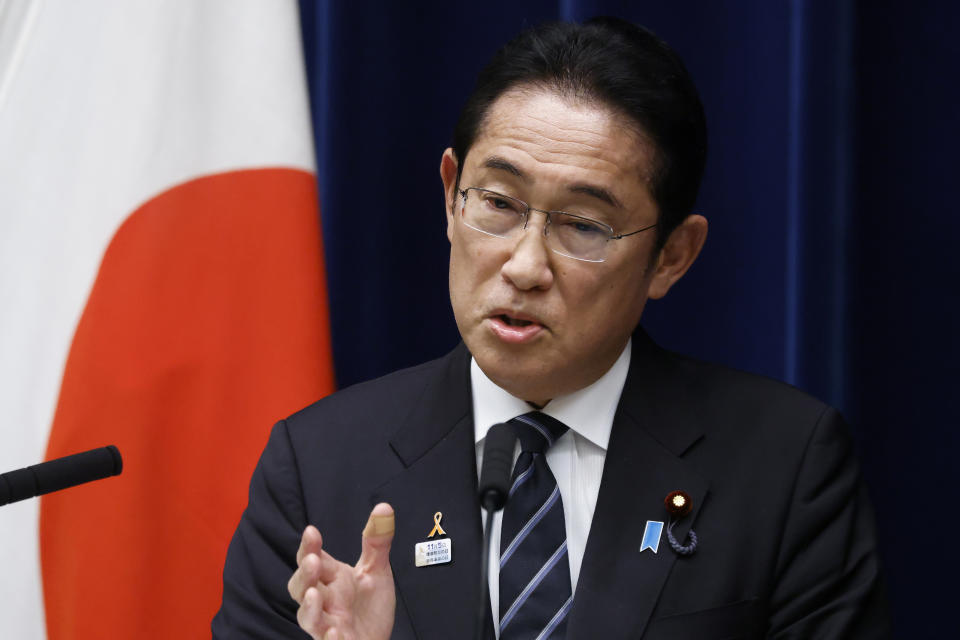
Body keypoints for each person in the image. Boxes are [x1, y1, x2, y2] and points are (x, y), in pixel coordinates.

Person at [213, 17, 889, 639]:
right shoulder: (317, 470)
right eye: (499, 204)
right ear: (450, 195)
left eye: (585, 226)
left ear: (672, 256)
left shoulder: (785, 467)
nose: (526, 265)